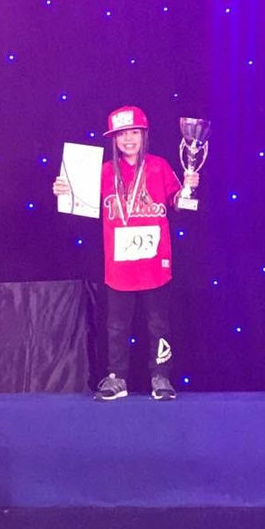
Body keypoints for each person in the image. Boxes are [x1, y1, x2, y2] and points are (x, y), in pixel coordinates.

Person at [52, 106, 199, 401]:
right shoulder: (104, 171)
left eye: (134, 132)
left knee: (158, 323)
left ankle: (161, 376)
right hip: (119, 265)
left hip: (155, 262)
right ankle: (116, 377)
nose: (128, 139)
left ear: (144, 135)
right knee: (116, 326)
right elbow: (80, 203)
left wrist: (188, 190)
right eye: (122, 134)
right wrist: (65, 190)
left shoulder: (159, 166)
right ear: (114, 139)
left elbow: (178, 204)